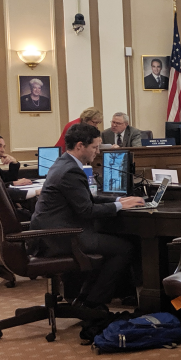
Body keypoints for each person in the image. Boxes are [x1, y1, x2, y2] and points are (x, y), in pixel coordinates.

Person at [31, 122, 145, 309]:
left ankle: (87, 295)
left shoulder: (62, 163)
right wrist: (118, 205)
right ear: (79, 146)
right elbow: (87, 210)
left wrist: (118, 201)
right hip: (62, 236)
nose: (97, 152)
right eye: (94, 147)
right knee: (125, 247)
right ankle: (94, 302)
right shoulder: (70, 170)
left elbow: (85, 200)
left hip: (52, 232)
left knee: (116, 243)